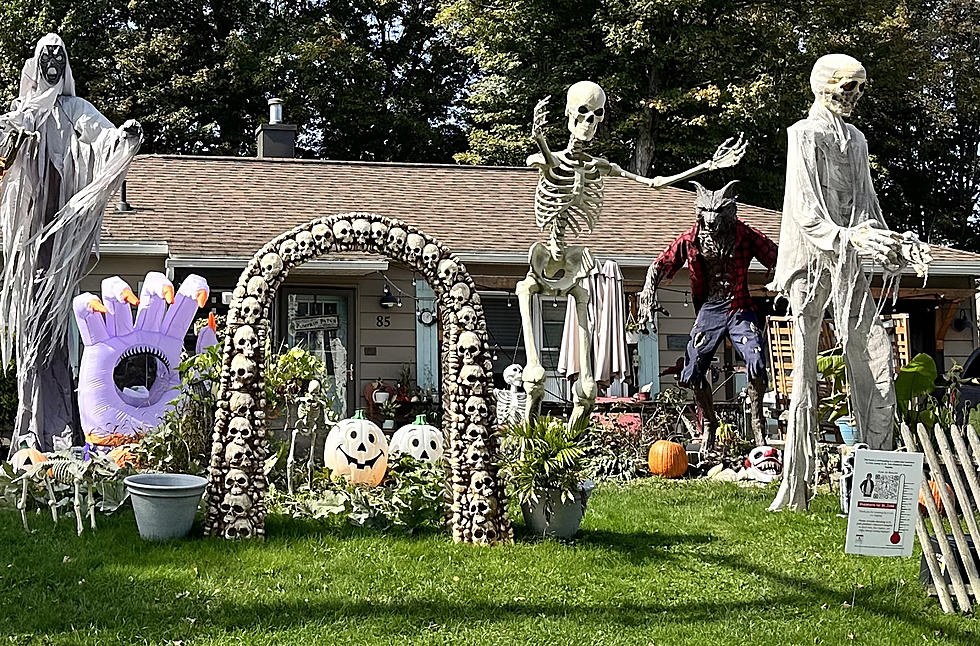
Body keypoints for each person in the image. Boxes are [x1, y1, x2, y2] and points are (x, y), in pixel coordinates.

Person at [768, 54, 931, 511]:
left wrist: (896, 244)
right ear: (824, 86)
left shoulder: (855, 140)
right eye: (847, 87)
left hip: (848, 258)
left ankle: (876, 484)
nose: (854, 97)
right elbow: (804, 208)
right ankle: (794, 486)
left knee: (876, 352)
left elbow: (866, 203)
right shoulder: (803, 134)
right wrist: (844, 236)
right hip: (810, 259)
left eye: (859, 88)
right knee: (803, 371)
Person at [0, 33, 142, 455]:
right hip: (29, 246)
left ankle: (60, 432)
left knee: (56, 338)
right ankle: (30, 432)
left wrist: (125, 138)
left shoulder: (77, 111)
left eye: (60, 57)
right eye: (47, 56)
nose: (53, 63)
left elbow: (103, 138)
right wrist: (17, 138)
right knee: (30, 339)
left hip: (60, 247)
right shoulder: (24, 113)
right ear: (35, 63)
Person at [639, 180, 777, 447]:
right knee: (693, 368)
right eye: (706, 212)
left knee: (756, 360)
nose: (712, 219)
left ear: (729, 210)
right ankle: (711, 422)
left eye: (718, 212)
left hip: (740, 307)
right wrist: (648, 291)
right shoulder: (690, 240)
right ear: (699, 212)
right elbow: (659, 264)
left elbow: (775, 256)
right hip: (709, 309)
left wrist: (786, 282)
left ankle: (758, 427)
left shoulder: (744, 235)